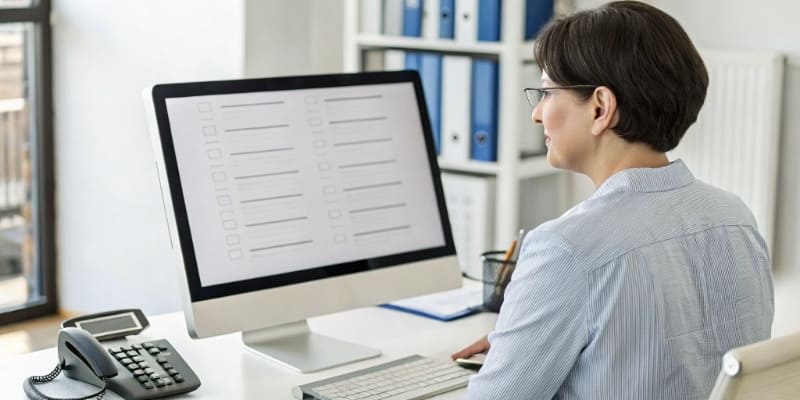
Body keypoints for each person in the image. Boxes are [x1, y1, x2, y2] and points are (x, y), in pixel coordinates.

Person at [451, 2, 775, 399]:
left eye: (547, 93)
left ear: (600, 108)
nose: (537, 114)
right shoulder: (735, 217)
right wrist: (526, 339)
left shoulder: (566, 249)